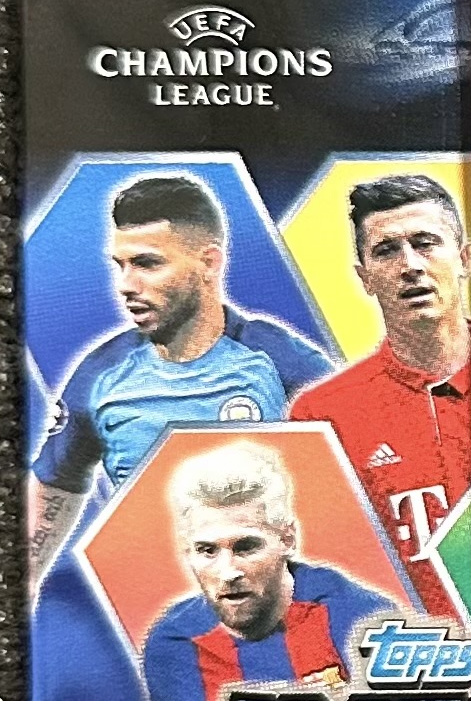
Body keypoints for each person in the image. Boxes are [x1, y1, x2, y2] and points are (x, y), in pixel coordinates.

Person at [29, 173, 332, 587]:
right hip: (147, 603)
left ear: (209, 262)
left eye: (147, 264)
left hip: (263, 601)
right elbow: (55, 486)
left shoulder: (282, 363)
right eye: (120, 265)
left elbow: (357, 474)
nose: (126, 285)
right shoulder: (101, 375)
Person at [139, 442, 401, 701]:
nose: (228, 572)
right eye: (207, 550)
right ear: (187, 551)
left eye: (246, 547)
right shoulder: (174, 643)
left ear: (287, 539)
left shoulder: (361, 617)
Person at [287, 173, 471, 616]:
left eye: (425, 243)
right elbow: (328, 568)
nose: (410, 265)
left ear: (464, 258)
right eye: (386, 250)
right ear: (365, 278)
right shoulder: (322, 414)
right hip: (413, 647)